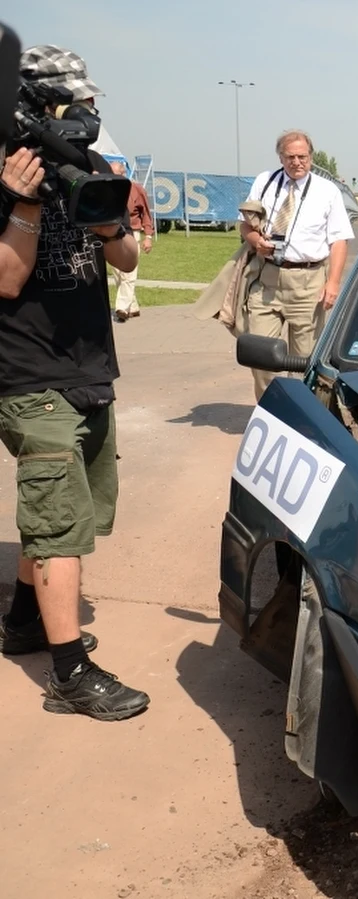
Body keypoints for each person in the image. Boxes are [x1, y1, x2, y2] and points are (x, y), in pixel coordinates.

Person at [0, 44, 150, 720]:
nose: (86, 113)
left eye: (90, 101)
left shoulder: (87, 163)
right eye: (71, 101)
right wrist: (24, 202)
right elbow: (6, 278)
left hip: (90, 367)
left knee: (77, 511)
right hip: (29, 372)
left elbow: (124, 256)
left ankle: (26, 620)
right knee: (58, 520)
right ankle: (69, 674)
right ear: (34, 104)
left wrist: (106, 214)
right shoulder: (7, 174)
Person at [239, 130, 354, 401]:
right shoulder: (264, 182)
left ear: (311, 157)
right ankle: (270, 411)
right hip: (267, 279)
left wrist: (333, 283)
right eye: (290, 157)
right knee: (260, 356)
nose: (297, 162)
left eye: (302, 156)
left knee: (304, 360)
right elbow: (244, 224)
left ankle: (302, 417)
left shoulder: (327, 191)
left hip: (308, 282)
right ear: (281, 157)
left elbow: (339, 241)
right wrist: (256, 241)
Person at [108, 160, 154, 322]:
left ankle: (122, 307)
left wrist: (148, 236)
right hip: (112, 232)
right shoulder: (107, 188)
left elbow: (146, 214)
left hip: (132, 233)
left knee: (129, 272)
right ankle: (132, 306)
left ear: (124, 173)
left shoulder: (136, 190)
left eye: (116, 174)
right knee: (118, 273)